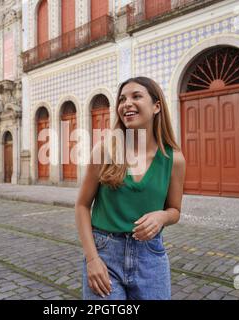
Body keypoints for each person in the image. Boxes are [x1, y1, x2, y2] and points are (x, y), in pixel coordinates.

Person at [75, 77, 186, 300]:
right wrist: (92, 259)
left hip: (150, 258)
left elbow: (175, 211)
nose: (127, 103)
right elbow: (82, 206)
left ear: (156, 106)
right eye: (122, 99)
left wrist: (162, 217)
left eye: (136, 96)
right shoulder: (104, 150)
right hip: (105, 254)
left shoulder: (174, 159)